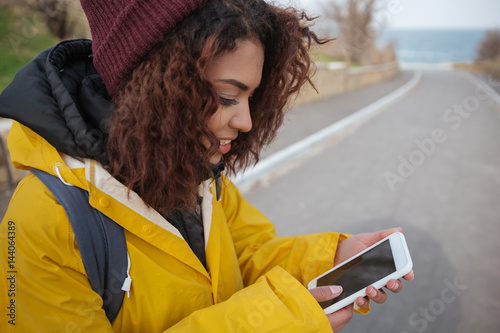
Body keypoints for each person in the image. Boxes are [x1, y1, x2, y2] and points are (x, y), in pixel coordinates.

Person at [0, 0, 413, 331]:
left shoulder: (197, 176)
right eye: (228, 97)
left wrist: (331, 257)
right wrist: (278, 319)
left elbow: (249, 254)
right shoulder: (40, 224)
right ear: (157, 85)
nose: (247, 122)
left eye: (251, 97)